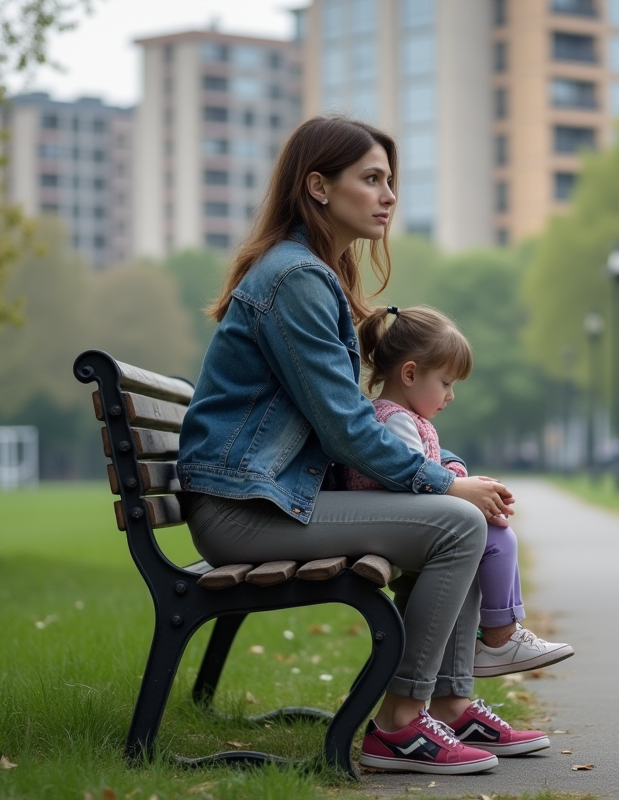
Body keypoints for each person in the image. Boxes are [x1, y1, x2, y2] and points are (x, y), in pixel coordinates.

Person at [175, 115, 547, 776]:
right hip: (243, 512)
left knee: (456, 516)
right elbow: (346, 428)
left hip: (264, 501)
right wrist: (444, 482)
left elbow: (342, 423)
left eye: (390, 181)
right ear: (318, 187)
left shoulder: (309, 272)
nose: (388, 195)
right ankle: (400, 726)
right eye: (371, 179)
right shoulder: (296, 278)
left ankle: (450, 706)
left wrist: (444, 479)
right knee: (457, 522)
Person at [344, 304, 575, 678]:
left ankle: (499, 636)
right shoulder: (395, 421)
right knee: (496, 536)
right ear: (409, 373)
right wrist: (461, 492)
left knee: (496, 532)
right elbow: (412, 479)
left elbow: (426, 469)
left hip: (400, 521)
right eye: (446, 383)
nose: (450, 396)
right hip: (395, 525)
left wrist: (460, 478)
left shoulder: (400, 417)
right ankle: (499, 638)